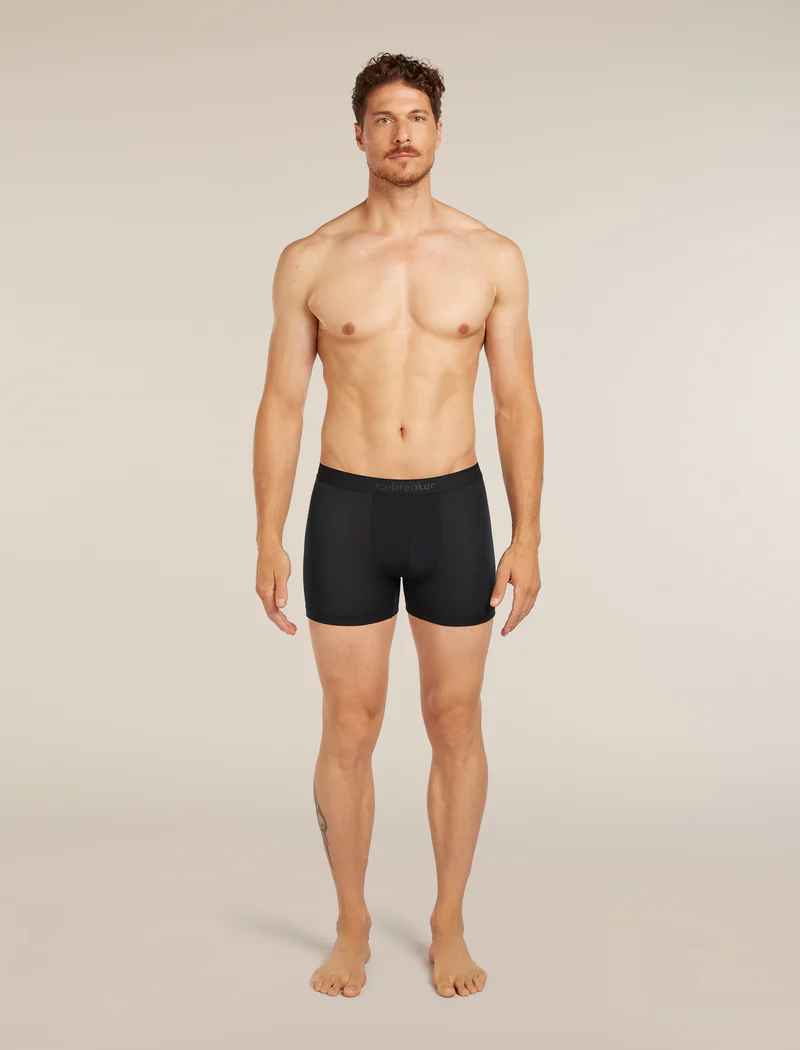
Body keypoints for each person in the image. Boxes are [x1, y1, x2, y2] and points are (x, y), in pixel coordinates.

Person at [253, 52, 543, 999]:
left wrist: (528, 533)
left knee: (456, 720)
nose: (401, 134)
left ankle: (448, 921)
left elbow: (515, 403)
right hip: (347, 509)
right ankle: (352, 926)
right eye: (383, 119)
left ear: (439, 131)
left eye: (416, 117)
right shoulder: (311, 261)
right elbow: (283, 404)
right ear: (359, 136)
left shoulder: (491, 257)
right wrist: (268, 534)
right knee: (350, 723)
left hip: (453, 508)